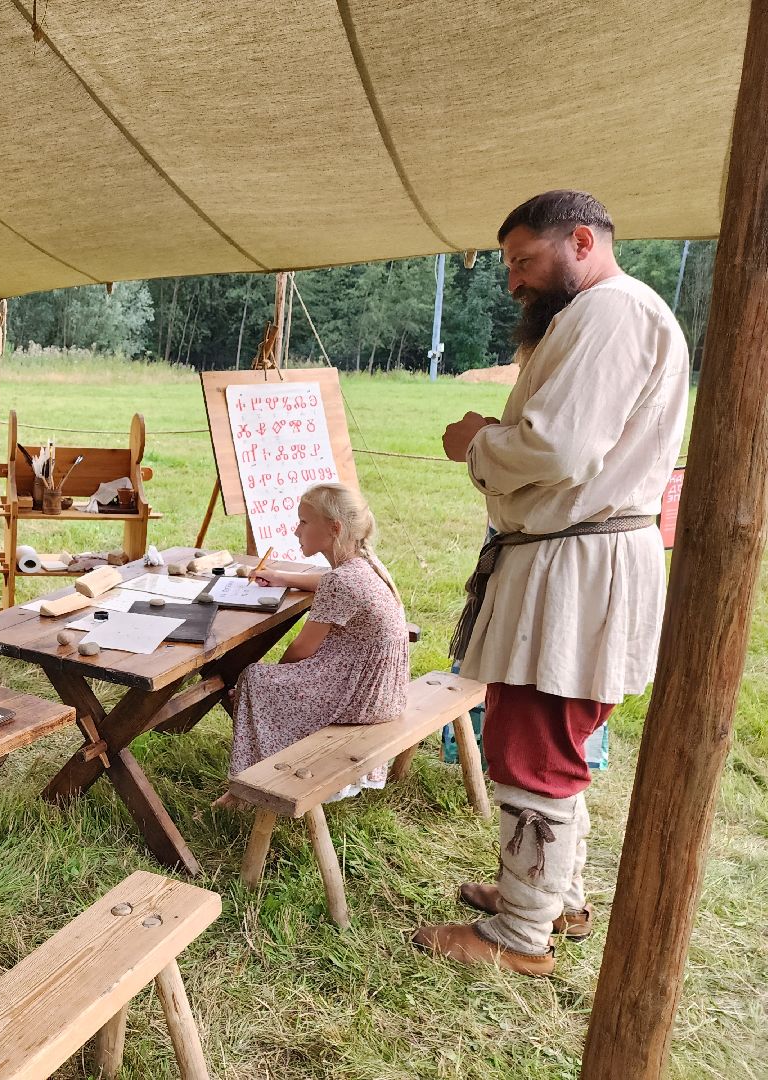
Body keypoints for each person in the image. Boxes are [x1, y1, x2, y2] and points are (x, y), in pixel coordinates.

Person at [413, 190, 689, 976]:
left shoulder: (609, 314)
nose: (513, 283)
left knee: (537, 742)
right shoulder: (606, 315)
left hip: (576, 566)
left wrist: (476, 442)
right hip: (576, 559)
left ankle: (521, 935)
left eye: (523, 262)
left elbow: (559, 450)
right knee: (549, 735)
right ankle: (549, 894)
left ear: (580, 241)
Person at [220, 483, 408, 802]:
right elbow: (327, 582)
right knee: (263, 683)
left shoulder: (340, 582)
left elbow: (301, 650)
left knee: (255, 679)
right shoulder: (364, 562)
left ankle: (250, 790)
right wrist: (284, 577)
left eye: (304, 522)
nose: (296, 531)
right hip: (385, 691)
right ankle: (255, 778)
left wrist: (273, 686)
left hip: (361, 698)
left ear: (334, 528)